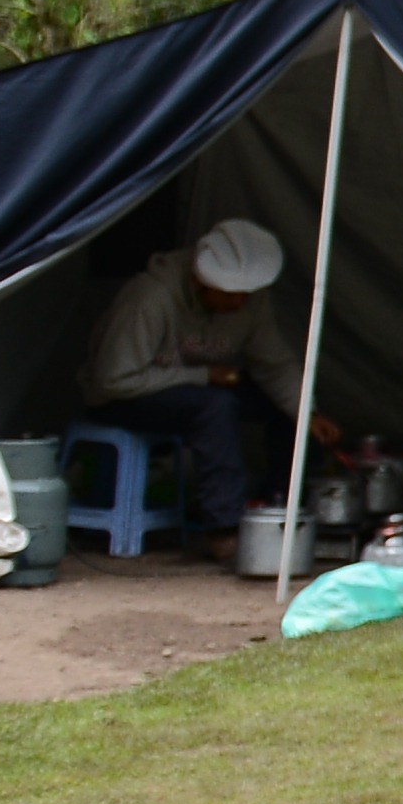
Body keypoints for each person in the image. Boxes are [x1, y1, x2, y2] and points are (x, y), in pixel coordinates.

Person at [73, 217, 286, 556]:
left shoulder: (248, 303)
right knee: (215, 407)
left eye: (245, 295)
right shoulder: (151, 298)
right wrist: (203, 376)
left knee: (285, 407)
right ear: (202, 282)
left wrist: (310, 410)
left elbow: (276, 365)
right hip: (124, 397)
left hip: (195, 388)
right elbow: (112, 379)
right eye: (231, 295)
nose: (239, 304)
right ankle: (224, 529)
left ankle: (281, 510)